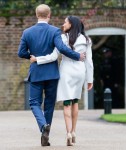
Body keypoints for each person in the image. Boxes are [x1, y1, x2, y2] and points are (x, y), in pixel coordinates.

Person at [17, 4, 86, 147]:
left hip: (36, 72)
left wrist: (32, 56)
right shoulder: (55, 31)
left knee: (34, 103)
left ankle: (43, 126)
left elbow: (21, 53)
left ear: (37, 15)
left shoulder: (27, 32)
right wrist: (77, 56)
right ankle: (45, 134)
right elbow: (61, 49)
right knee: (49, 105)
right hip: (52, 74)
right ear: (49, 15)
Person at [30, 16, 94, 146]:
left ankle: (68, 133)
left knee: (67, 103)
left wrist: (38, 59)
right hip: (80, 72)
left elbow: (53, 56)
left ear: (71, 24)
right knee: (75, 101)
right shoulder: (86, 40)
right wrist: (89, 79)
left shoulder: (62, 38)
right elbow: (89, 62)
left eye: (65, 22)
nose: (63, 24)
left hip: (66, 71)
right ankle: (74, 132)